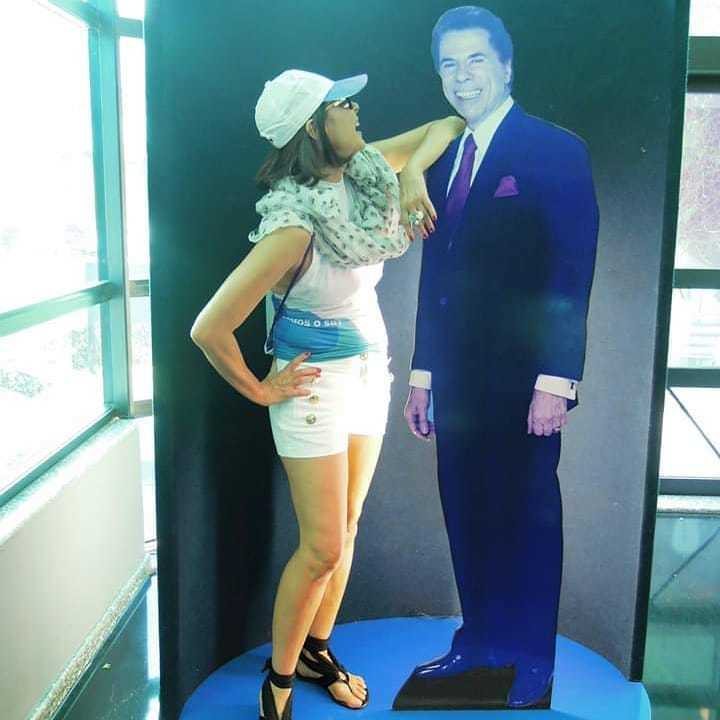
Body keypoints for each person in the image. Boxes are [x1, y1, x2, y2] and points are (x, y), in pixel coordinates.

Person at [190, 69, 464, 720]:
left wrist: (410, 173)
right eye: (342, 104)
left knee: (348, 525)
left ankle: (316, 651)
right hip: (314, 388)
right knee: (323, 547)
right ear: (314, 126)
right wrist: (261, 391)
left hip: (370, 372)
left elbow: (448, 125)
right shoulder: (292, 226)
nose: (356, 110)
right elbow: (209, 328)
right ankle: (279, 681)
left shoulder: (364, 169)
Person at [396, 6, 599, 710]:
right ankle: (479, 642)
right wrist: (423, 375)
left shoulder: (555, 150)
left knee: (528, 517)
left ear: (506, 66)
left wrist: (556, 380)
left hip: (524, 380)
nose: (463, 77)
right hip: (456, 381)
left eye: (476, 59)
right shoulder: (443, 160)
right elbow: (437, 276)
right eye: (449, 65)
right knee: (467, 510)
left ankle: (532, 660)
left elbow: (571, 270)